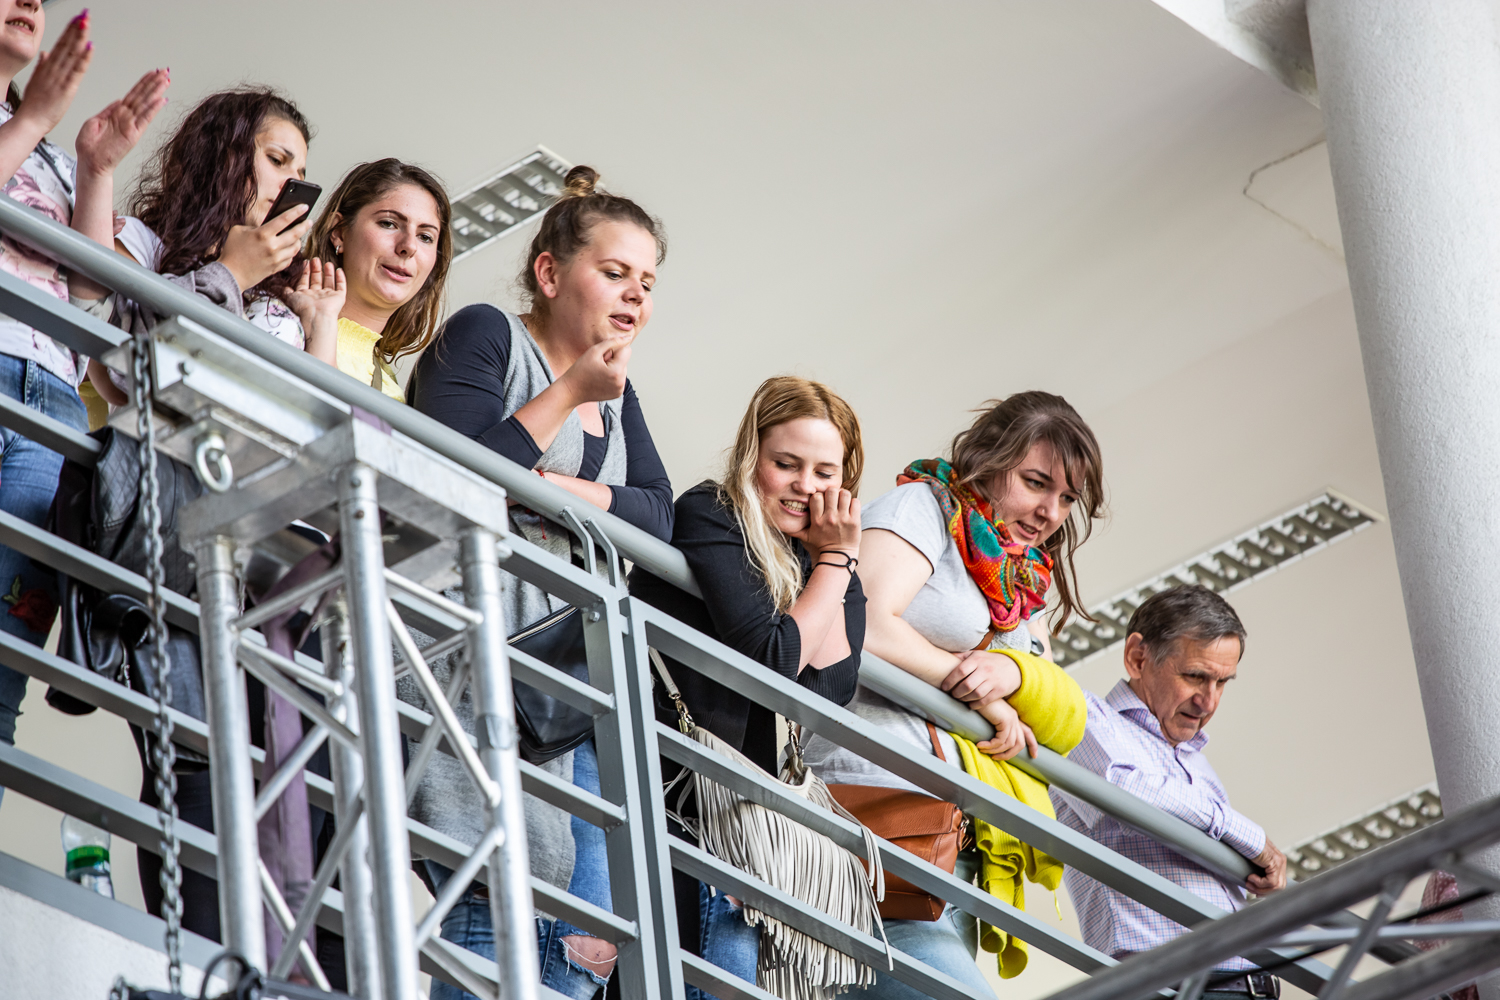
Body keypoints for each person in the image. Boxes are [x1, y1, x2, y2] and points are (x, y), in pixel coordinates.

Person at [407, 164, 671, 1000]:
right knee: (499, 892)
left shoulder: (618, 395)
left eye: (647, 282)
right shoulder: (487, 333)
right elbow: (454, 468)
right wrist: (567, 395)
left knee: (585, 944)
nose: (635, 296)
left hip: (567, 685)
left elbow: (659, 516)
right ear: (550, 273)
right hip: (475, 658)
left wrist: (557, 489)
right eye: (615, 272)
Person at [802, 390, 1106, 999]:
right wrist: (973, 691)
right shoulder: (923, 507)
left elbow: (1050, 714)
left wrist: (1013, 679)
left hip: (959, 837)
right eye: (1036, 483)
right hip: (877, 803)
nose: (1050, 511)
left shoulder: (1024, 582)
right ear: (990, 458)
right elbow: (862, 623)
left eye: (1068, 498)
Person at [629, 375, 867, 999]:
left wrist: (830, 561)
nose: (805, 486)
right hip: (676, 799)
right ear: (750, 454)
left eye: (824, 472)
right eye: (786, 464)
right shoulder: (711, 512)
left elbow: (831, 688)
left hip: (745, 825)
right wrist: (835, 564)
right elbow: (773, 660)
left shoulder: (828, 560)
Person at [0, 1, 168, 777]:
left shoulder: (50, 157)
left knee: (6, 660)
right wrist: (34, 116)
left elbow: (90, 293)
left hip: (53, 411)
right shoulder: (30, 129)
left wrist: (97, 165)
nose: (31, 3)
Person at [1050, 585, 1289, 1000]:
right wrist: (1247, 835)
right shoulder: (1085, 717)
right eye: (1195, 676)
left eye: (1222, 682)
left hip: (1247, 986)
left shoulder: (1197, 763)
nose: (1208, 701)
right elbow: (1122, 790)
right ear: (1138, 658)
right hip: (1171, 986)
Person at [71, 86, 316, 401]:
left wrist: (321, 325)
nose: (291, 182)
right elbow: (115, 382)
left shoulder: (281, 290)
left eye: (300, 174)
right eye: (276, 160)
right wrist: (233, 273)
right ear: (223, 158)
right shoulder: (139, 242)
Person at [299, 157, 452, 399]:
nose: (409, 246)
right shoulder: (280, 322)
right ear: (339, 231)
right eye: (389, 223)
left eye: (425, 237)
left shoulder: (395, 395)